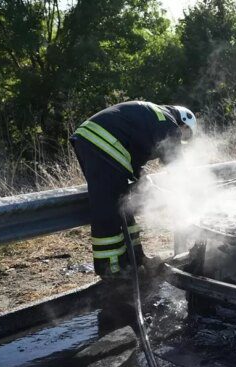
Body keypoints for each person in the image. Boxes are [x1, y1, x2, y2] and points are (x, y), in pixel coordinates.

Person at [69, 101, 196, 278]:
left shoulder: (153, 115)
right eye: (184, 134)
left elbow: (132, 152)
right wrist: (191, 194)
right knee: (108, 207)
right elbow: (176, 166)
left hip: (90, 139)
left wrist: (142, 180)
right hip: (104, 142)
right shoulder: (169, 124)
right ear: (183, 122)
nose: (180, 138)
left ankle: (135, 259)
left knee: (122, 203)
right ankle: (111, 269)